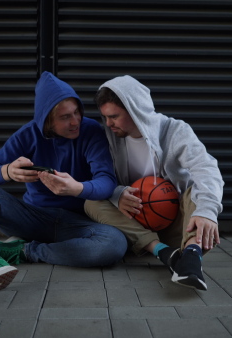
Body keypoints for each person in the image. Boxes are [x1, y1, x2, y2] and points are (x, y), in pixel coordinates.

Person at [0, 71, 128, 300]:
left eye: (76, 112)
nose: (75, 121)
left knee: (114, 244)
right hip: (34, 218)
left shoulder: (90, 131)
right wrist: (7, 171)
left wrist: (76, 188)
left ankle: (23, 251)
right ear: (46, 121)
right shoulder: (29, 134)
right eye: (64, 117)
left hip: (78, 222)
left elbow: (106, 182)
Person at [85, 75, 224, 290]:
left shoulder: (174, 130)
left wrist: (207, 211)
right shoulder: (109, 136)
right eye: (105, 117)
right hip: (136, 224)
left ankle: (191, 256)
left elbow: (207, 168)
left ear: (135, 111)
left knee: (196, 191)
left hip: (177, 224)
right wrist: (117, 194)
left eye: (114, 116)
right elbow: (99, 178)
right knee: (90, 202)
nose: (109, 123)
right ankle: (164, 253)